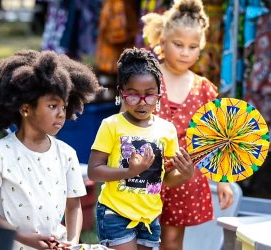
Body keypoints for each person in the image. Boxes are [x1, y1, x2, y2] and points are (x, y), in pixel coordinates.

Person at [0, 50, 102, 250]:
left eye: (64, 106)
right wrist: (22, 237)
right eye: (52, 106)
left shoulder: (67, 154)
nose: (61, 114)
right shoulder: (0, 154)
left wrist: (72, 241)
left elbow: (74, 205)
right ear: (25, 109)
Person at [141, 0, 234, 249]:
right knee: (137, 237)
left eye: (193, 47)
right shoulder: (146, 79)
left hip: (184, 176)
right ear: (162, 41)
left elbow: (213, 137)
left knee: (172, 240)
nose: (185, 52)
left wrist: (223, 179)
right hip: (144, 171)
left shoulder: (204, 88)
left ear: (201, 48)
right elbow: (124, 121)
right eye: (178, 44)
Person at [88, 47, 194, 250]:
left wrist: (185, 174)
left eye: (149, 95)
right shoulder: (111, 125)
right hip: (115, 212)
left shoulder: (167, 130)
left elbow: (165, 179)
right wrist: (130, 172)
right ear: (121, 94)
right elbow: (94, 171)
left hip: (150, 216)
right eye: (133, 96)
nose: (142, 103)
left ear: (159, 95)